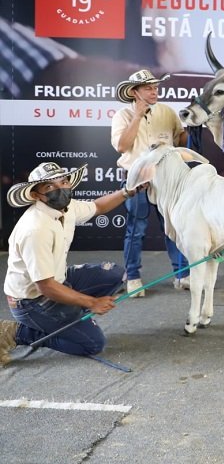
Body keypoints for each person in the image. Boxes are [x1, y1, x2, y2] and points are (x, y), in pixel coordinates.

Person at [1, 162, 133, 365]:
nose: (60, 189)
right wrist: (92, 303)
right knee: (93, 344)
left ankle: (69, 315)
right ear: (36, 196)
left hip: (58, 280)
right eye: (49, 187)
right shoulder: (35, 229)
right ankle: (19, 332)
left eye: (63, 182)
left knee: (115, 274)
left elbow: (98, 206)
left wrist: (128, 191)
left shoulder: (66, 207)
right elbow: (45, 287)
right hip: (31, 301)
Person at [110, 70, 189, 296]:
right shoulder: (122, 115)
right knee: (136, 230)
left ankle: (182, 274)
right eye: (148, 88)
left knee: (173, 227)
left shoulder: (166, 111)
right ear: (134, 92)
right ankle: (133, 277)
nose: (154, 91)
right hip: (137, 180)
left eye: (155, 87)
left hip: (167, 178)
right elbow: (122, 146)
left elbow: (181, 138)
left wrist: (187, 133)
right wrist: (137, 116)